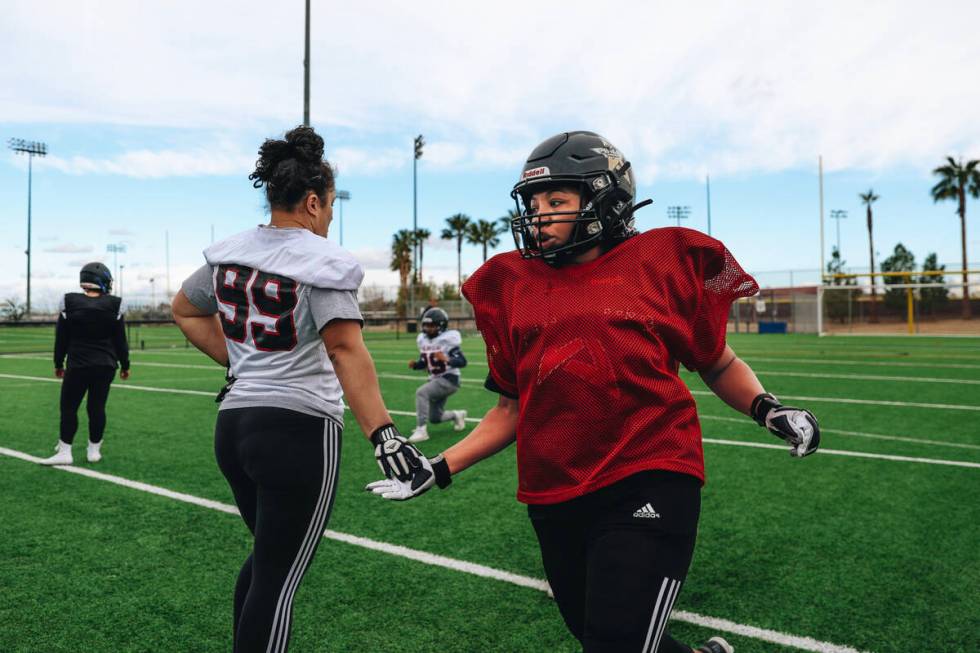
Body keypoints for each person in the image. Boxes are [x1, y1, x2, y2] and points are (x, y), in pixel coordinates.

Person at [367, 131, 821, 653]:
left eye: (556, 201)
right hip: (555, 487)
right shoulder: (512, 283)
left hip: (648, 471)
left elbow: (715, 361)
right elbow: (510, 409)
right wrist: (438, 466)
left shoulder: (660, 261)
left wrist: (769, 409)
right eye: (534, 202)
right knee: (595, 630)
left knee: (616, 640)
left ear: (605, 200)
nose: (539, 214)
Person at [172, 125, 428, 653]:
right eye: (330, 206)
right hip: (297, 430)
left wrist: (240, 361)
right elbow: (344, 349)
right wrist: (384, 435)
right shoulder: (320, 259)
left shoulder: (231, 252)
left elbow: (184, 308)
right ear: (312, 202)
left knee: (267, 562)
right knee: (278, 580)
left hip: (234, 427)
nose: (330, 216)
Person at [42, 262, 131, 466]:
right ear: (103, 281)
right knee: (97, 407)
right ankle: (93, 450)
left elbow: (61, 338)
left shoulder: (69, 301)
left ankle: (65, 451)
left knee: (69, 407)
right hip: (106, 365)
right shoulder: (115, 304)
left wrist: (58, 362)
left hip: (78, 364)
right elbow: (120, 340)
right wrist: (125, 365)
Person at [406, 306, 468, 443]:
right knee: (435, 417)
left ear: (441, 326)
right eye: (426, 325)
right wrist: (416, 365)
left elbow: (462, 361)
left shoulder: (448, 340)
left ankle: (421, 430)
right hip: (435, 380)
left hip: (449, 380)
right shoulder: (424, 340)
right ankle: (457, 415)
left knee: (421, 393)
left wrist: (447, 359)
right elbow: (425, 362)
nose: (429, 328)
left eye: (432, 325)